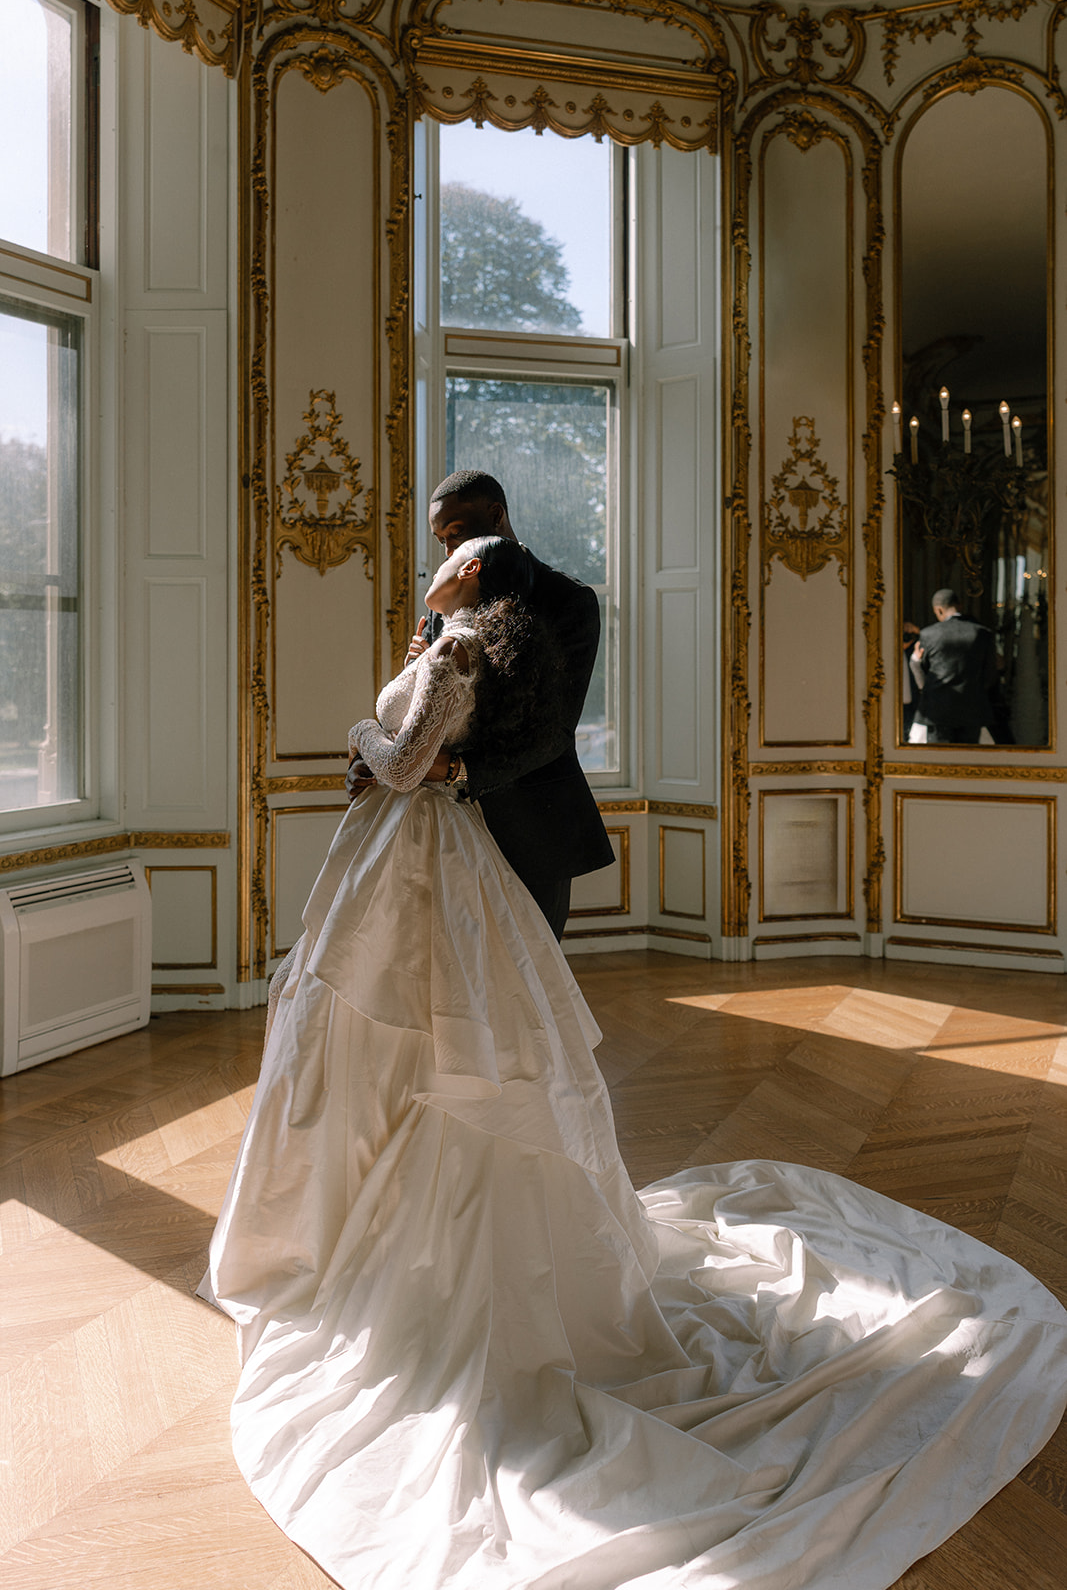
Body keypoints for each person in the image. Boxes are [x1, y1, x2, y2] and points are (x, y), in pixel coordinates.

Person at [202, 534, 1067, 1590]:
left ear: (470, 574)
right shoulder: (468, 644)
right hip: (422, 860)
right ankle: (387, 1222)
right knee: (434, 1044)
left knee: (417, 1046)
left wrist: (353, 729)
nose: (433, 565)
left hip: (412, 856)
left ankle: (383, 1244)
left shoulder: (451, 652)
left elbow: (403, 763)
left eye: (448, 555)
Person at [347, 469, 613, 939]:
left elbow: (553, 732)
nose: (448, 552)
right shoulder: (442, 605)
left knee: (528, 989)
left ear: (496, 515)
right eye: (440, 540)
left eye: (457, 534)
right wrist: (379, 758)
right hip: (438, 827)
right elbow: (428, 711)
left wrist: (455, 769)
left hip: (531, 823)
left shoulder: (567, 600)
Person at [909, 587, 997, 744]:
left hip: (936, 711)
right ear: (960, 606)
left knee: (940, 762)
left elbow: (923, 680)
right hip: (972, 710)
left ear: (939, 610)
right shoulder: (983, 633)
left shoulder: (929, 634)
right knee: (968, 761)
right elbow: (990, 675)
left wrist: (914, 660)